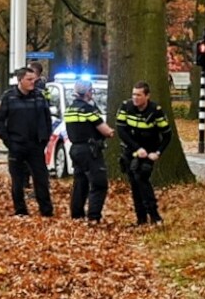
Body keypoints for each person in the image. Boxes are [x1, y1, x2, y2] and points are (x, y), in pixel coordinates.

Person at [0, 66, 54, 216]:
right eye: (29, 79)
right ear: (20, 80)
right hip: (17, 144)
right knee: (18, 180)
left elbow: (47, 119)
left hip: (36, 145)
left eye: (34, 79)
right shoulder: (9, 97)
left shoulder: (40, 96)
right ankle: (20, 210)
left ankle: (46, 210)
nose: (33, 82)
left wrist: (45, 138)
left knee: (41, 179)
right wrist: (8, 141)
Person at [115, 80, 174, 226]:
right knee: (135, 184)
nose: (135, 98)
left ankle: (154, 216)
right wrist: (136, 148)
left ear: (147, 96)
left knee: (142, 178)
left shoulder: (156, 111)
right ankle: (141, 219)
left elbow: (167, 135)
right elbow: (121, 131)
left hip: (148, 153)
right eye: (133, 94)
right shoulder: (126, 107)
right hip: (131, 151)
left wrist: (158, 152)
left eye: (139, 95)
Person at [62, 78, 115, 221]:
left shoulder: (69, 110)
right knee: (99, 183)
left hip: (75, 149)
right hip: (90, 150)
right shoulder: (89, 110)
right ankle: (94, 216)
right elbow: (106, 131)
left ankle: (77, 214)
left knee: (80, 182)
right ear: (88, 93)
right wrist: (111, 131)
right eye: (91, 91)